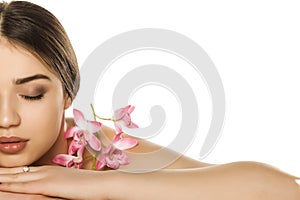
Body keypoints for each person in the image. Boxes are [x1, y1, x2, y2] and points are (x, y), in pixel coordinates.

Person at [0, 1, 299, 199]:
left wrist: (101, 185)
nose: (6, 119)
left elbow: (281, 190)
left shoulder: (93, 146)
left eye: (31, 95)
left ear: (68, 93)